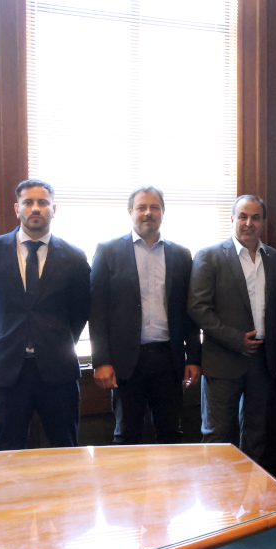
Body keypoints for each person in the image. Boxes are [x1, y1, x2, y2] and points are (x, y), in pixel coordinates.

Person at [0, 179, 91, 449]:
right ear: (17, 208)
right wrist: (1, 343)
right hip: (6, 371)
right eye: (28, 202)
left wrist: (55, 339)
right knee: (8, 453)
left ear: (53, 208)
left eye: (43, 202)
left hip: (58, 371)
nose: (36, 208)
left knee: (65, 451)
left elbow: (80, 312)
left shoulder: (74, 257)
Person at [89, 185, 201, 444]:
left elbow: (189, 311)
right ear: (130, 212)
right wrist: (101, 360)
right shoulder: (108, 251)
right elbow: (96, 311)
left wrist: (193, 357)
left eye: (154, 207)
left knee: (171, 434)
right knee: (126, 435)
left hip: (168, 360)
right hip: (126, 363)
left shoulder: (181, 255)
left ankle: (168, 486)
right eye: (141, 207)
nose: (147, 213)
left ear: (163, 212)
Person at [188, 194, 276, 466]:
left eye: (255, 217)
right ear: (232, 219)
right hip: (223, 359)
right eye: (242, 216)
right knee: (218, 433)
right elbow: (198, 308)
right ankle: (218, 498)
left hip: (263, 361)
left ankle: (252, 497)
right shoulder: (209, 256)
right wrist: (235, 339)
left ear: (263, 222)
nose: (249, 223)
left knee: (256, 432)